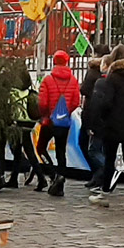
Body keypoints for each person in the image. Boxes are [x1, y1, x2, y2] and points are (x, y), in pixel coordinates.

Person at [90, 47, 124, 210]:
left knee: (109, 159)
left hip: (113, 125)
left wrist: (103, 118)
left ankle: (104, 194)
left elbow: (106, 102)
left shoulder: (112, 78)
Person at [35, 50, 81, 198]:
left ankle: (53, 174)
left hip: (49, 121)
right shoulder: (73, 80)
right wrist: (65, 111)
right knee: (61, 151)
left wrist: (46, 114)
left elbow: (42, 102)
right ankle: (61, 179)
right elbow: (75, 102)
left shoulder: (48, 80)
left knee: (41, 147)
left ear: (54, 61)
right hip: (64, 121)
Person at [79, 45, 112, 190]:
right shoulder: (111, 72)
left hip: (91, 113)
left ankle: (103, 171)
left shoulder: (93, 71)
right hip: (107, 115)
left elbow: (84, 90)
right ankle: (99, 176)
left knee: (88, 146)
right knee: (101, 147)